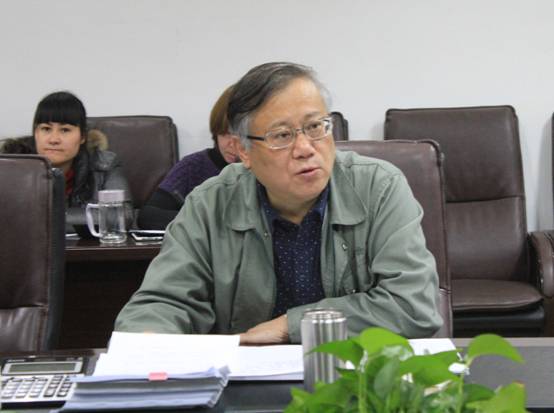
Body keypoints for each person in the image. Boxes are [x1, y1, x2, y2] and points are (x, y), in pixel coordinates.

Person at [115, 62, 442, 344]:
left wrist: (292, 325)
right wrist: (148, 339)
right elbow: (163, 302)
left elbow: (412, 305)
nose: (305, 148)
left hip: (356, 375)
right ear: (243, 151)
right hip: (246, 379)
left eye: (315, 127)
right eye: (282, 135)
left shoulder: (379, 188)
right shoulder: (209, 204)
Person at [0, 91, 131, 231]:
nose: (53, 139)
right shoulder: (10, 165)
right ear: (36, 134)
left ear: (82, 137)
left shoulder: (104, 164)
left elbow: (120, 216)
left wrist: (41, 219)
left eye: (65, 130)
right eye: (46, 129)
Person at [138, 85, 239, 229]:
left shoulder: (264, 169)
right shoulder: (193, 165)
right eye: (225, 133)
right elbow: (149, 216)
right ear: (216, 131)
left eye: (241, 137)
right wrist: (207, 221)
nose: (232, 144)